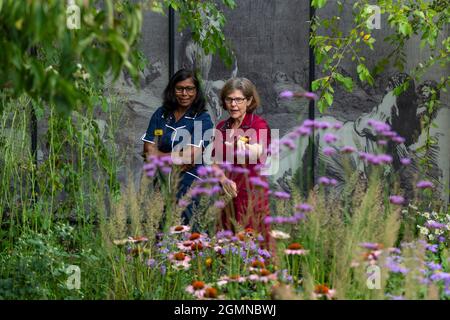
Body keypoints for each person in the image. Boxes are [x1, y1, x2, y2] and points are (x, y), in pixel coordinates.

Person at [141, 69, 213, 225]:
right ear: (172, 90)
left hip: (189, 185)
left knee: (188, 233)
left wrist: (159, 156)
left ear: (196, 91)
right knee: (161, 230)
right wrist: (178, 157)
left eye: (190, 89)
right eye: (179, 88)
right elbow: (147, 151)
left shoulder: (202, 118)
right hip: (161, 183)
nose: (184, 93)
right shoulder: (161, 114)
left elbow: (191, 156)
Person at [212, 77, 272, 243]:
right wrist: (223, 180)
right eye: (229, 99)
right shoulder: (221, 127)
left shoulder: (258, 124)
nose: (233, 105)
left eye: (238, 99)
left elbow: (258, 151)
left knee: (253, 247)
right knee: (225, 246)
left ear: (249, 100)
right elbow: (214, 162)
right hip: (227, 196)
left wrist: (239, 142)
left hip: (252, 196)